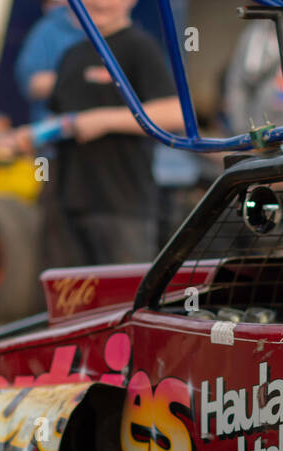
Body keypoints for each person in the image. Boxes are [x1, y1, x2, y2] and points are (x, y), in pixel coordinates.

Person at [23, 0, 186, 268]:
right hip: (66, 205)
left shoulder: (140, 48)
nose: (100, 2)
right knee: (70, 301)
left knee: (124, 300)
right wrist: (29, 135)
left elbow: (175, 113)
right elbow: (61, 119)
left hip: (122, 205)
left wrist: (104, 120)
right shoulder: (71, 55)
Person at [14, 1, 85, 125]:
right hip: (52, 130)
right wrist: (88, 76)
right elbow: (30, 83)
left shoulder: (123, 37)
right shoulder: (48, 29)